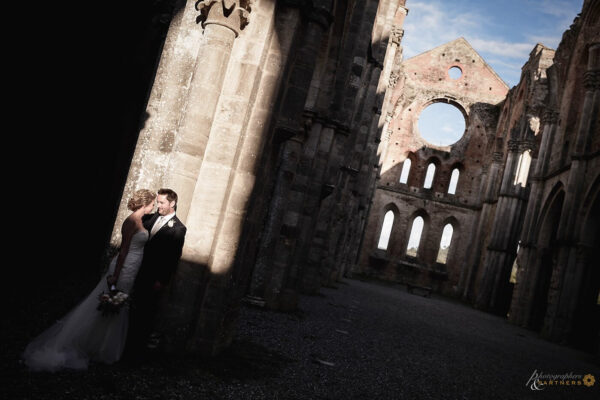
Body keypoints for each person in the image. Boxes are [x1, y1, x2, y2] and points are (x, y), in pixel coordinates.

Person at [22, 189, 157, 371]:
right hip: (124, 268)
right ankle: (92, 346)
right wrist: (115, 274)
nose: (154, 206)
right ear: (145, 204)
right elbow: (123, 250)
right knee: (110, 303)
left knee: (118, 305)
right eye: (152, 203)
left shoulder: (141, 221)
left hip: (131, 268)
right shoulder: (132, 221)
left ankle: (102, 346)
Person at [127, 188, 186, 354]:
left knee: (145, 314)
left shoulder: (178, 229)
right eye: (157, 202)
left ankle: (136, 351)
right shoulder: (149, 218)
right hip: (134, 270)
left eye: (161, 202)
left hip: (153, 278)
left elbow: (173, 258)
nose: (158, 206)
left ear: (172, 203)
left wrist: (162, 281)